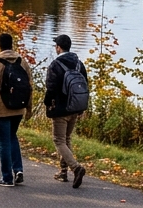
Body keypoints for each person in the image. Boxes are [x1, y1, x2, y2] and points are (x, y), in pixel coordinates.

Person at [0, 33, 32, 187]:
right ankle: (18, 169)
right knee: (12, 137)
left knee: (4, 143)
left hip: (1, 110)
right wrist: (29, 108)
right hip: (19, 108)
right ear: (12, 44)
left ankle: (7, 177)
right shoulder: (23, 63)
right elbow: (29, 88)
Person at [44, 34, 89, 188]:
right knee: (67, 139)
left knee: (59, 140)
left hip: (60, 109)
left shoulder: (56, 65)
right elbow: (85, 85)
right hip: (75, 107)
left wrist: (48, 103)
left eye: (56, 45)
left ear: (58, 47)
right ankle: (63, 172)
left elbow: (50, 88)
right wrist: (82, 106)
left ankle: (76, 168)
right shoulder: (78, 64)